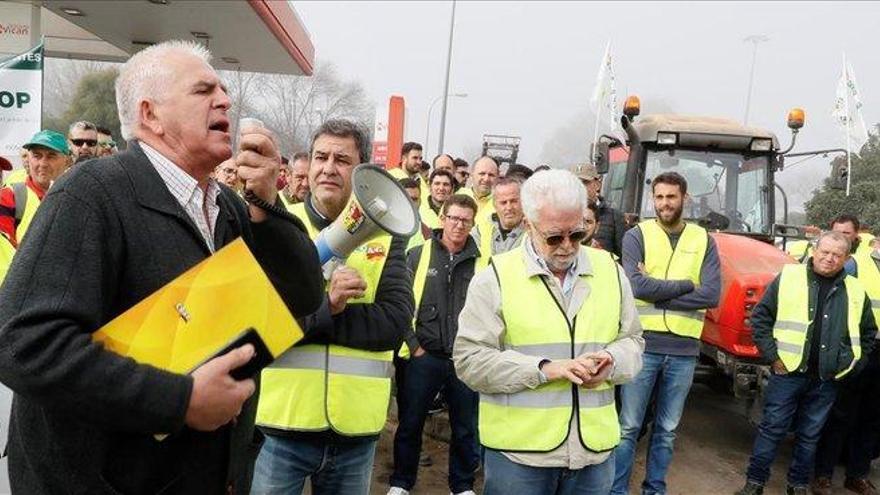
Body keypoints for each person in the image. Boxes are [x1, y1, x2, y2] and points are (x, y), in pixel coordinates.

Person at [0, 39, 324, 495]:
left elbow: (301, 296)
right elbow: (23, 345)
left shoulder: (229, 206)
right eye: (202, 90)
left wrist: (267, 206)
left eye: (223, 91)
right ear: (150, 115)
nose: (225, 100)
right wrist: (180, 400)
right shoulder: (92, 194)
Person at [453, 169, 644, 495]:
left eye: (577, 234)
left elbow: (633, 341)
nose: (568, 246)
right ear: (528, 224)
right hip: (520, 459)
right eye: (555, 237)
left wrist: (611, 362)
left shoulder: (610, 271)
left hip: (593, 457)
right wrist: (544, 369)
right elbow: (470, 361)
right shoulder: (496, 278)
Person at [253, 119, 414, 495]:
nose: (328, 167)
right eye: (321, 157)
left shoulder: (389, 237)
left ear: (359, 170)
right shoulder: (277, 224)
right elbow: (260, 321)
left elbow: (393, 323)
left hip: (355, 430)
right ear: (306, 165)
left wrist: (305, 323)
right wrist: (328, 307)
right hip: (282, 423)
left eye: (341, 159)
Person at [736, 231, 876, 495]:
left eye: (837, 255)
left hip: (827, 379)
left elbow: (868, 333)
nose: (829, 259)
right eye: (825, 252)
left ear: (846, 258)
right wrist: (773, 356)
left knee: (810, 436)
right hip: (787, 373)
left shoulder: (855, 290)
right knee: (771, 430)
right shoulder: (789, 277)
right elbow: (761, 318)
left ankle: (797, 485)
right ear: (814, 251)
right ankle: (754, 483)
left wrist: (851, 365)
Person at [612, 171, 721, 495]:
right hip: (643, 346)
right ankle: (616, 491)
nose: (664, 203)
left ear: (684, 199)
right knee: (628, 426)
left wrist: (655, 288)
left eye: (671, 197)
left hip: (685, 351)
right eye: (659, 197)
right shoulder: (637, 235)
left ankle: (654, 489)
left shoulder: (703, 240)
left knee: (668, 430)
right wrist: (689, 285)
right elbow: (635, 286)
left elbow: (712, 294)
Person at [389, 194, 482, 495]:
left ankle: (462, 485)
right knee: (410, 423)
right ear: (442, 218)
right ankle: (401, 482)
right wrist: (414, 346)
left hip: (464, 360)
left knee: (465, 427)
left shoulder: (482, 264)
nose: (458, 225)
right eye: (453, 218)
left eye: (465, 220)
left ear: (472, 224)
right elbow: (400, 303)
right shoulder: (417, 255)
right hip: (423, 356)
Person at [812, 235, 880, 495]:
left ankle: (857, 475)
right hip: (858, 350)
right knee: (841, 416)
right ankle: (823, 475)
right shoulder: (856, 264)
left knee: (873, 418)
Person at [0, 130, 72, 246]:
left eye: (51, 156)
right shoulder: (9, 197)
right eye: (36, 156)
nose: (43, 163)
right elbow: (4, 253)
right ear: (28, 159)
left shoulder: (79, 198)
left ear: (67, 161)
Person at [574, 163, 626, 258]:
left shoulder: (614, 217)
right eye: (575, 183)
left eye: (585, 182)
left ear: (597, 185)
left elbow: (623, 257)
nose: (579, 187)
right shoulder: (563, 216)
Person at [471, 177, 526, 259]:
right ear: (494, 205)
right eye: (503, 203)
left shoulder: (533, 232)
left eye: (514, 201)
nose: (509, 207)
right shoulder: (480, 230)